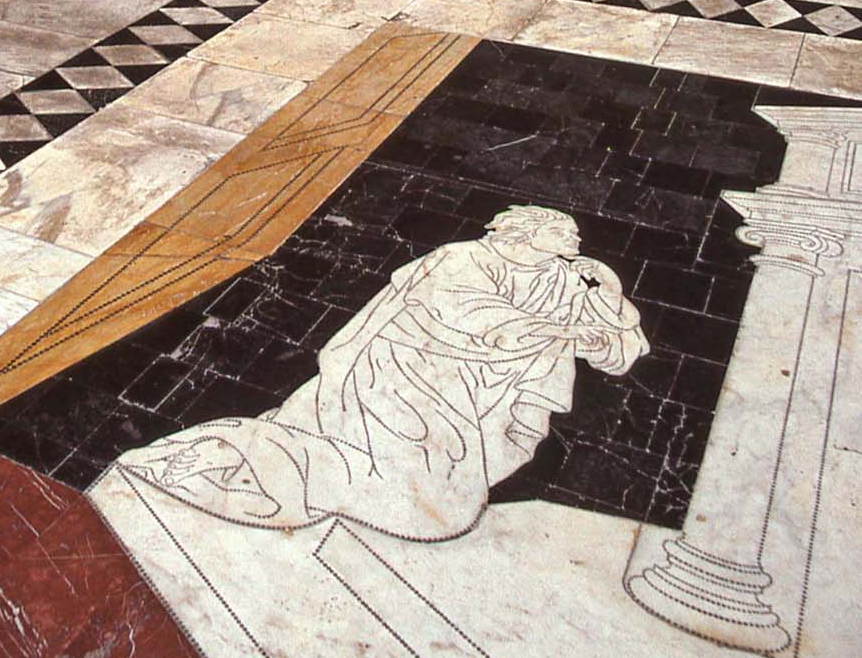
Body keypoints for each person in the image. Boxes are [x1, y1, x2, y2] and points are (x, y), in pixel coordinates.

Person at [119, 205, 648, 542]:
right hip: (404, 372)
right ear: (528, 233)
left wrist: (608, 298)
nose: (574, 238)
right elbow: (470, 314)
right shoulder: (461, 259)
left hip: (483, 390)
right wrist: (557, 330)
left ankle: (274, 472)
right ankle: (234, 462)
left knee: (435, 483)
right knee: (389, 470)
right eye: (563, 231)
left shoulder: (564, 278)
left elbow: (618, 348)